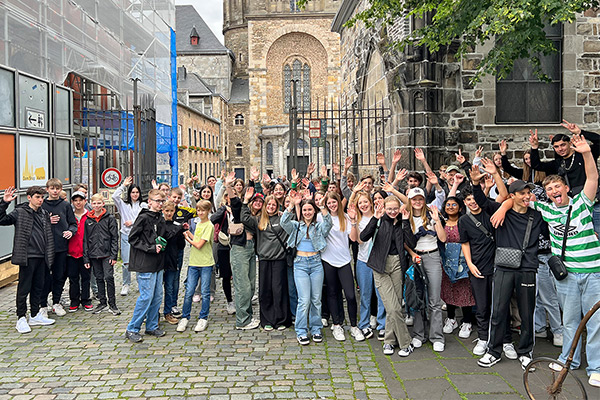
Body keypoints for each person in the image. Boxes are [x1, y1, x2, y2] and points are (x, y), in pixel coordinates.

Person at [526, 133, 600, 387]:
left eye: (557, 186)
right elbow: (516, 198)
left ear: (566, 188)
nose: (554, 190)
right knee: (569, 320)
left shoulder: (582, 203)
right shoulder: (546, 210)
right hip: (566, 275)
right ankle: (569, 359)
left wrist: (586, 153)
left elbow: (592, 178)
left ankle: (596, 366)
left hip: (592, 272)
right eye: (549, 189)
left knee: (594, 322)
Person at [472, 169, 543, 370]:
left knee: (527, 312)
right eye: (522, 193)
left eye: (528, 192)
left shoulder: (537, 215)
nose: (526, 196)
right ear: (512, 196)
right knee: (499, 310)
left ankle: (526, 352)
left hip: (528, 267)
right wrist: (477, 184)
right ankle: (493, 351)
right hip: (503, 266)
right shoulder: (501, 210)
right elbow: (481, 201)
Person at [361, 195, 417, 356]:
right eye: (389, 209)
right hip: (380, 266)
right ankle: (406, 343)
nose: (392, 212)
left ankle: (389, 341)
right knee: (392, 307)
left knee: (396, 307)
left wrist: (406, 222)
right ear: (384, 208)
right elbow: (363, 237)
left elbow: (412, 243)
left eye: (395, 208)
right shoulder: (379, 220)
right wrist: (374, 218)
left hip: (398, 264)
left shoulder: (402, 221)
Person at [0, 186, 56, 333]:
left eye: (42, 197)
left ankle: (35, 314)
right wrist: (4, 203)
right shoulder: (20, 212)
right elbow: (2, 219)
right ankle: (21, 317)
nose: (40, 200)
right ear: (29, 198)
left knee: (38, 286)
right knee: (24, 288)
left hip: (42, 256)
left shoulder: (44, 213)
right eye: (37, 197)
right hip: (27, 256)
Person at [280, 191, 332, 345]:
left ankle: (316, 329)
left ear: (314, 211)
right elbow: (284, 222)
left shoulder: (318, 226)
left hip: (316, 263)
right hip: (300, 264)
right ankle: (301, 330)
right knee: (304, 299)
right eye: (305, 210)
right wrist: (291, 205)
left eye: (310, 209)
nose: (307, 212)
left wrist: (322, 206)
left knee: (316, 299)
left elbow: (329, 224)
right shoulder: (296, 226)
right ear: (301, 212)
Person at [529, 121, 600, 234]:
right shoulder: (558, 163)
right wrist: (534, 147)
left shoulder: (584, 153)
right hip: (575, 207)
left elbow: (598, 141)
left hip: (594, 202)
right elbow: (536, 165)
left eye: (563, 145)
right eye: (556, 147)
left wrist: (580, 132)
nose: (560, 149)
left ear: (569, 143)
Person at [241, 188, 292, 330]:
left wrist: (293, 204)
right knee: (265, 290)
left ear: (277, 207)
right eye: (268, 204)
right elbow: (244, 218)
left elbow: (294, 220)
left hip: (279, 259)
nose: (271, 207)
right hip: (264, 259)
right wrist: (246, 201)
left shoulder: (282, 218)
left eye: (273, 205)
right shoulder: (259, 220)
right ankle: (267, 320)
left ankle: (281, 319)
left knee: (279, 289)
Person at [125, 189, 171, 343]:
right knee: (146, 296)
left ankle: (151, 325)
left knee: (157, 296)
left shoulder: (160, 218)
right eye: (157, 201)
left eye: (162, 201)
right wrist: (151, 247)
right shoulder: (143, 217)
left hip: (158, 263)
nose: (160, 204)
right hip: (145, 262)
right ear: (149, 201)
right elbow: (132, 238)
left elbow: (163, 236)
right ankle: (132, 328)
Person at [404, 187, 447, 352]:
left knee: (434, 299)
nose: (417, 202)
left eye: (420, 199)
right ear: (410, 200)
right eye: (414, 199)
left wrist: (436, 221)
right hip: (416, 258)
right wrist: (412, 253)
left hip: (433, 256)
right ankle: (418, 334)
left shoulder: (431, 215)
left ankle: (437, 336)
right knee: (418, 297)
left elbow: (443, 238)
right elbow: (404, 241)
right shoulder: (407, 217)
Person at [320, 192, 364, 342]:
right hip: (328, 259)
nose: (332, 205)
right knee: (332, 293)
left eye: (334, 202)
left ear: (338, 202)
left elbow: (353, 239)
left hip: (344, 260)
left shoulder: (345, 217)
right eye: (329, 203)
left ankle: (353, 325)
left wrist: (353, 222)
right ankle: (337, 324)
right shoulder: (322, 217)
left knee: (350, 295)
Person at [225, 172, 260, 330]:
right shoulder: (239, 210)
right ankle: (242, 321)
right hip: (240, 248)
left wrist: (253, 181)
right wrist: (228, 185)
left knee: (251, 285)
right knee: (243, 286)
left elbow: (254, 195)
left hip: (251, 248)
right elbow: (235, 201)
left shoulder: (255, 215)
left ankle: (248, 315)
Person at [348, 188, 386, 339]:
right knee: (365, 294)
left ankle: (383, 324)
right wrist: (353, 222)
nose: (363, 205)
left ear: (371, 203)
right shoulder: (357, 219)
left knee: (381, 294)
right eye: (360, 203)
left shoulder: (380, 217)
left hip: (379, 261)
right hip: (363, 261)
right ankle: (364, 324)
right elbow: (356, 240)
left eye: (365, 202)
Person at [440, 196, 476, 339]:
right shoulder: (441, 222)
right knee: (448, 289)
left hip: (463, 261)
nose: (450, 207)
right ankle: (451, 318)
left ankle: (467, 321)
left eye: (454, 204)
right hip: (447, 262)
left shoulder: (465, 222)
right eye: (448, 204)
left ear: (460, 207)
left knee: (465, 291)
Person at [177, 200, 215, 333]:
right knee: (189, 292)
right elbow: (196, 239)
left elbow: (199, 245)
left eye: (203, 210)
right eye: (198, 210)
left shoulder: (209, 225)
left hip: (205, 263)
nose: (200, 213)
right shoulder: (198, 224)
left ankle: (203, 317)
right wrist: (188, 232)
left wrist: (187, 239)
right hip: (193, 262)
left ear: (208, 211)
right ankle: (185, 317)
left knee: (205, 292)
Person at [41, 178, 77, 317]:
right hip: (45, 247)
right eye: (52, 188)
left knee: (59, 276)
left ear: (61, 190)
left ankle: (56, 302)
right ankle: (42, 304)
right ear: (47, 190)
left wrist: (70, 231)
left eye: (57, 188)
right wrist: (47, 221)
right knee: (44, 277)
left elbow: (73, 223)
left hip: (61, 247)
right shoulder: (42, 205)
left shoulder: (65, 205)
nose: (55, 191)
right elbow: (35, 224)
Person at [83, 193, 120, 315]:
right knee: (99, 278)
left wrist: (114, 255)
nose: (97, 205)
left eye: (99, 203)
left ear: (103, 204)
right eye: (94, 203)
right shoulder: (88, 220)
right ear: (91, 204)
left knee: (108, 277)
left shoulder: (109, 218)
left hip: (107, 253)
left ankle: (112, 303)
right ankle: (102, 302)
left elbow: (114, 237)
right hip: (94, 254)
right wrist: (86, 258)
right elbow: (85, 239)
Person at [112, 176, 147, 296]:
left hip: (139, 236)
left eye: (137, 192)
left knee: (138, 260)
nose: (135, 194)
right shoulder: (123, 204)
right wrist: (124, 185)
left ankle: (140, 282)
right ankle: (126, 284)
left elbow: (145, 219)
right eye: (133, 192)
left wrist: (133, 221)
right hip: (126, 234)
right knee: (126, 261)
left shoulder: (143, 205)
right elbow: (114, 196)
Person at [66, 191, 93, 312]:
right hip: (71, 252)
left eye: (80, 200)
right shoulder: (69, 216)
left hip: (85, 253)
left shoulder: (90, 216)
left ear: (85, 201)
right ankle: (74, 300)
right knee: (73, 278)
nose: (78, 203)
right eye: (75, 200)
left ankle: (86, 299)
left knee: (86, 278)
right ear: (72, 202)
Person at [161, 201, 185, 325]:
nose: (169, 213)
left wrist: (181, 233)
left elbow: (181, 245)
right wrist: (178, 230)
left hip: (172, 259)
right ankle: (154, 313)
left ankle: (168, 311)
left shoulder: (177, 225)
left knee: (170, 287)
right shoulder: (160, 224)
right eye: (167, 211)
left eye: (171, 211)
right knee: (157, 290)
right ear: (163, 211)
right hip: (160, 261)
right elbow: (165, 237)